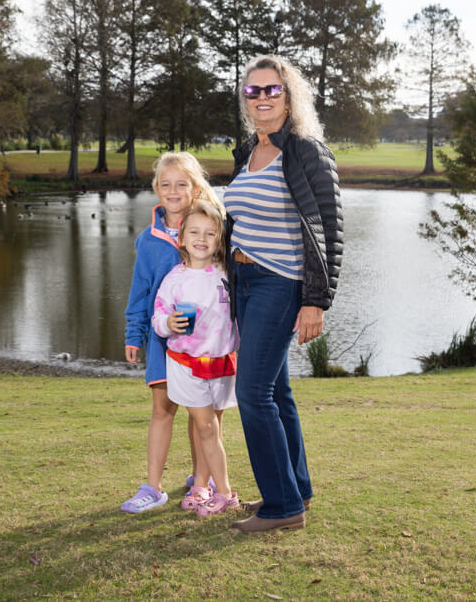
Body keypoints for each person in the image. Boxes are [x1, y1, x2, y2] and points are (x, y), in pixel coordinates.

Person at [223, 54, 343, 532]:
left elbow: (329, 230)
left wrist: (316, 300)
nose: (262, 98)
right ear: (245, 100)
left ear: (289, 98)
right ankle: (297, 490)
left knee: (252, 393)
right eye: (253, 91)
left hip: (281, 282)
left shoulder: (307, 152)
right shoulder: (247, 152)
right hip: (245, 283)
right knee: (276, 391)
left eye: (272, 89)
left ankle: (281, 507)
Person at [121, 152, 223, 513]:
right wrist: (133, 334)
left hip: (207, 343)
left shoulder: (214, 227)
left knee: (205, 415)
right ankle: (153, 487)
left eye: (182, 183)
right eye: (165, 184)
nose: (173, 190)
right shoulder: (148, 241)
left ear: (196, 188)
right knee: (162, 408)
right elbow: (140, 292)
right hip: (162, 341)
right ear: (156, 189)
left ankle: (202, 482)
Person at [152, 200, 240, 517]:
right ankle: (226, 492)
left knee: (210, 428)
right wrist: (168, 323)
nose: (201, 239)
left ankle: (202, 485)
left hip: (222, 365)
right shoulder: (174, 279)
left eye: (210, 233)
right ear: (182, 238)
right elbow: (158, 319)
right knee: (205, 426)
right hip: (186, 364)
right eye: (194, 232)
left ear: (219, 240)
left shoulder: (227, 275)